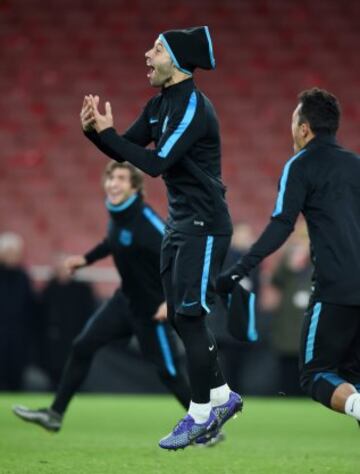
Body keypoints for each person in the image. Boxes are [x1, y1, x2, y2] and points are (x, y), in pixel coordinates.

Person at [80, 26, 242, 450]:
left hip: (204, 224)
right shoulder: (158, 105)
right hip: (180, 224)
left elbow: (155, 164)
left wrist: (109, 136)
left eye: (156, 48)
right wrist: (96, 133)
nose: (146, 53)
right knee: (178, 317)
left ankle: (200, 414)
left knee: (189, 316)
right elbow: (126, 148)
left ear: (179, 60)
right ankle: (223, 397)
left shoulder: (192, 104)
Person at [13, 161, 191, 432]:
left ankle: (205, 422)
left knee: (169, 373)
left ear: (135, 187)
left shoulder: (149, 223)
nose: (113, 183)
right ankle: (55, 414)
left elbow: (179, 260)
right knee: (82, 346)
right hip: (124, 301)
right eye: (110, 178)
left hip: (152, 310)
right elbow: (112, 241)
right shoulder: (118, 216)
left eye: (120, 178)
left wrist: (171, 301)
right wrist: (85, 260)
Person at [217, 87, 360, 423]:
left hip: (335, 287)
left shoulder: (300, 165)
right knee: (352, 378)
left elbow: (282, 225)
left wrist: (239, 267)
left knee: (316, 374)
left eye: (293, 121)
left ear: (304, 128)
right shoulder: (356, 165)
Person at [38, 254, 97, 388]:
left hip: (76, 338)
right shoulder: (49, 290)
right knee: (54, 372)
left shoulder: (83, 291)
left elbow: (90, 314)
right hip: (53, 342)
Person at [0, 232, 37, 390]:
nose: (11, 256)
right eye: (8, 252)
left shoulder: (23, 277)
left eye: (14, 253)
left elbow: (30, 307)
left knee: (16, 374)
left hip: (18, 335)